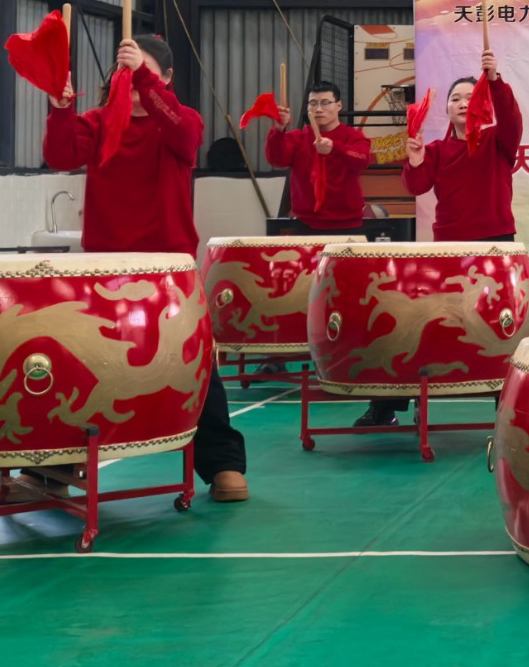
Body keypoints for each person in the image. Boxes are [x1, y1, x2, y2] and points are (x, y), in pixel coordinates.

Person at [25, 35, 248, 504]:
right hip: (104, 267)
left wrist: (143, 78)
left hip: (167, 268)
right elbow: (61, 156)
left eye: (143, 71)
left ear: (166, 78)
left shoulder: (182, 120)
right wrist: (61, 109)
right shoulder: (99, 122)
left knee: (195, 363)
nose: (132, 81)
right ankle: (51, 467)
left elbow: (185, 138)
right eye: (125, 72)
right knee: (81, 363)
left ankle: (223, 463)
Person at [374, 58, 522, 427]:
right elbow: (416, 186)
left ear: (483, 106)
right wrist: (414, 160)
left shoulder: (498, 140)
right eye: (455, 98)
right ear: (446, 109)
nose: (462, 103)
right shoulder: (438, 150)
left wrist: (494, 80)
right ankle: (386, 405)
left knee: (500, 326)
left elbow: (511, 118)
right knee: (417, 323)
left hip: (495, 247)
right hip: (450, 250)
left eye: (470, 98)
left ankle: (508, 406)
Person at [266, 81, 371, 231]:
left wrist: (335, 148)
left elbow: (362, 159)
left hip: (347, 221)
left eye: (325, 103)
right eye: (313, 103)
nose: (319, 109)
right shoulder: (298, 138)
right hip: (305, 222)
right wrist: (278, 129)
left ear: (339, 105)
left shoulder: (353, 136)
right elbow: (276, 160)